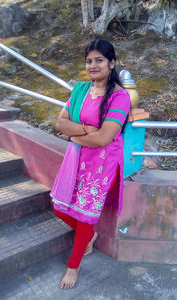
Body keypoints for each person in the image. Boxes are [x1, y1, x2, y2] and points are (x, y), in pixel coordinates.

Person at [50, 39, 131, 289]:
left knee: (85, 217)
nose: (93, 65)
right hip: (77, 159)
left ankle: (73, 267)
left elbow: (105, 138)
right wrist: (86, 129)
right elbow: (59, 123)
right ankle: (89, 235)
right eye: (89, 61)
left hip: (102, 164)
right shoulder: (80, 90)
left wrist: (74, 135)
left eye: (99, 60)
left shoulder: (119, 97)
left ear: (112, 62)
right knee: (60, 207)